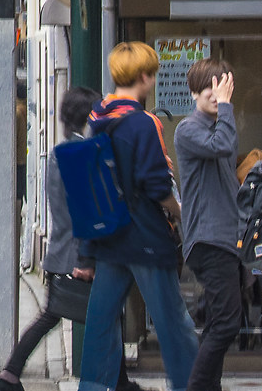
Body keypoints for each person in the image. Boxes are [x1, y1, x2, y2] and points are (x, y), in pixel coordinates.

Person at [79, 41, 199, 391]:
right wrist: (178, 211)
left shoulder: (97, 118)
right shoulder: (143, 123)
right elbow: (156, 183)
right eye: (153, 74)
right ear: (145, 77)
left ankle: (93, 387)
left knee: (101, 321)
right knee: (172, 321)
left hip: (109, 235)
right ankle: (191, 384)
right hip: (144, 234)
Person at [0, 87, 100, 391]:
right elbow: (82, 210)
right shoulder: (81, 153)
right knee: (89, 317)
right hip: (75, 255)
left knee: (59, 317)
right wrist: (86, 259)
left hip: (61, 250)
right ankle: (8, 376)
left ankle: (9, 376)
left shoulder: (60, 152)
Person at [175, 59, 243, 391]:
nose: (217, 97)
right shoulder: (188, 129)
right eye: (209, 91)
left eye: (222, 90)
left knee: (219, 322)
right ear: (194, 93)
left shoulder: (220, 126)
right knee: (228, 323)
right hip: (209, 239)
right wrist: (227, 107)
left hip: (226, 238)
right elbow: (223, 147)